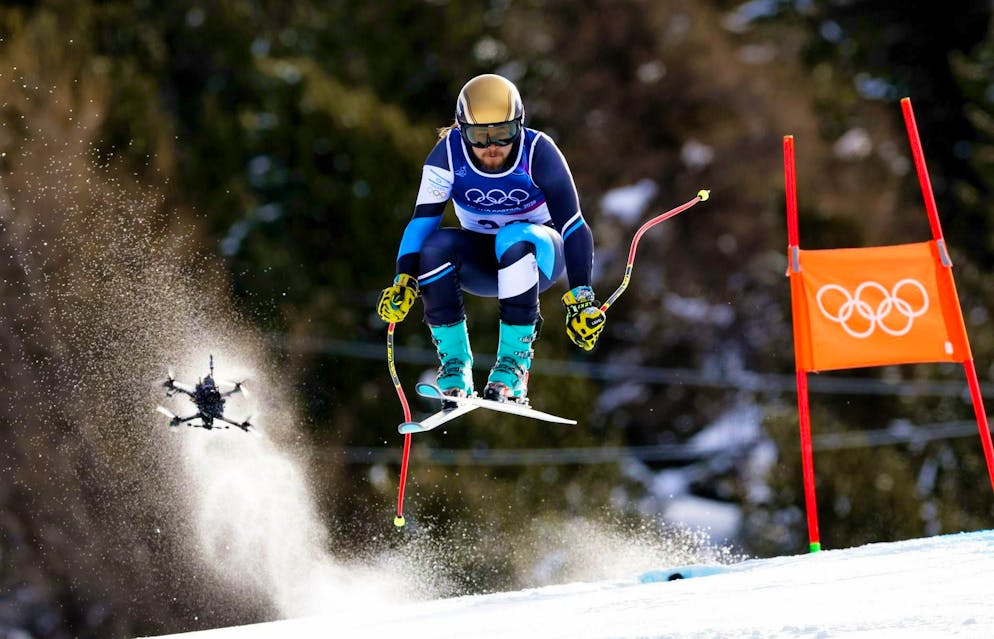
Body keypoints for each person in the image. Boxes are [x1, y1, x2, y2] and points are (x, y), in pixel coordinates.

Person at [377, 73, 605, 403]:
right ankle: (455, 367)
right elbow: (422, 221)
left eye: (503, 133)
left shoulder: (538, 152)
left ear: (520, 125)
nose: (492, 147)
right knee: (433, 248)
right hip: (483, 264)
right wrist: (404, 280)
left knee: (513, 236)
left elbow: (573, 224)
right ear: (460, 130)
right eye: (478, 136)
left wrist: (582, 295)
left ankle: (513, 366)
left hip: (539, 257)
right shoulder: (448, 155)